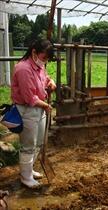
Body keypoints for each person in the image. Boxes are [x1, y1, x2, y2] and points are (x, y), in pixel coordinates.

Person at [11, 39, 56, 188]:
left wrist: (51, 82)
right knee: (28, 145)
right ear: (34, 52)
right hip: (27, 110)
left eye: (47, 59)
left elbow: (45, 79)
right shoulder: (23, 69)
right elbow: (29, 98)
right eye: (44, 58)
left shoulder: (39, 66)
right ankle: (26, 177)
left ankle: (29, 170)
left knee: (38, 142)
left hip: (39, 109)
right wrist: (45, 105)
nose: (45, 61)